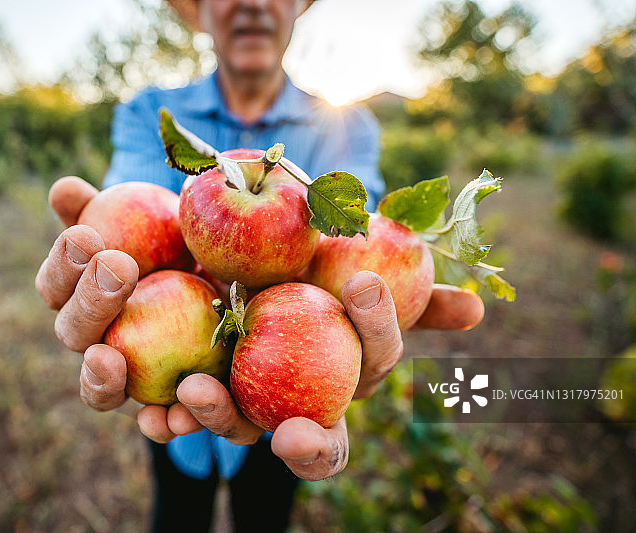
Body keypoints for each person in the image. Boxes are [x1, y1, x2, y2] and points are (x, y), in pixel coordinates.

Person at [35, 0, 485, 531]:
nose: (251, 3)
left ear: (298, 8)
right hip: (164, 392)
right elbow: (130, 219)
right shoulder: (148, 113)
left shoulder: (348, 125)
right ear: (199, 11)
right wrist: (103, 267)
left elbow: (362, 237)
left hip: (283, 406)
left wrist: (353, 331)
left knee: (265, 517)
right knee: (176, 515)